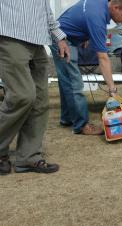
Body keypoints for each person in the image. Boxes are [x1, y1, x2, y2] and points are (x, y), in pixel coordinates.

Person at [0, 0, 70, 174]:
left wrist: (59, 37)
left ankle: (29, 157)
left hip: (38, 41)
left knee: (40, 102)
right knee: (22, 96)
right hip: (9, 36)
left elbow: (45, 8)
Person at [50, 0, 122, 135]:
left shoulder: (99, 4)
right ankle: (82, 125)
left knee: (66, 81)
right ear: (116, 7)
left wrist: (84, 34)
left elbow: (81, 16)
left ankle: (67, 119)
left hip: (62, 34)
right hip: (62, 39)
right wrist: (112, 90)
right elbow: (103, 58)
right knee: (75, 83)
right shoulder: (97, 17)